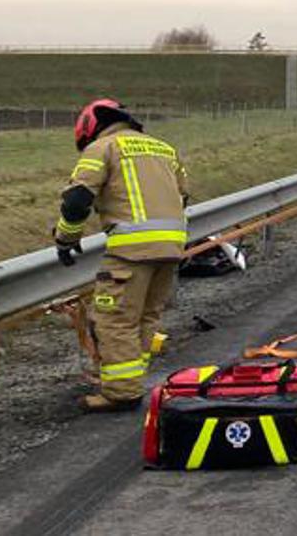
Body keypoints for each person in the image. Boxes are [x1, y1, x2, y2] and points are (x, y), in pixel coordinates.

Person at [53, 99, 190, 412]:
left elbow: (77, 200)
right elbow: (182, 196)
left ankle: (121, 393)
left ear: (89, 127)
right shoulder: (163, 149)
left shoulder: (103, 148)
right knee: (145, 318)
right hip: (171, 249)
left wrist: (65, 238)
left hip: (130, 252)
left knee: (114, 321)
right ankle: (130, 381)